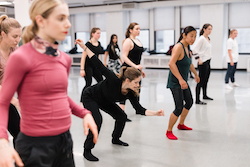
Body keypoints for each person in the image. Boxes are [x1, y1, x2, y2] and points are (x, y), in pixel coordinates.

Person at [0, 0, 98, 167]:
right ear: (40, 21)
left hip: (64, 141)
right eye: (61, 18)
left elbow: (59, 95)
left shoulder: (64, 58)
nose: (68, 23)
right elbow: (2, 103)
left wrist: (84, 113)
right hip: (34, 145)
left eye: (67, 17)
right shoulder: (21, 57)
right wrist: (3, 143)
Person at [76, 38, 164, 162]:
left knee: (122, 117)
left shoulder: (131, 93)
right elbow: (97, 63)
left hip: (105, 100)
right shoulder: (113, 79)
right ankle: (87, 150)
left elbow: (139, 110)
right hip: (90, 96)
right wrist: (84, 48)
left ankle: (115, 138)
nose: (138, 85)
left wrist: (155, 113)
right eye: (136, 82)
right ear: (127, 80)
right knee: (97, 120)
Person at [166, 26, 200, 140]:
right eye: (191, 36)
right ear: (184, 35)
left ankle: (181, 124)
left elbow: (189, 62)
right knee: (179, 107)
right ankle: (169, 131)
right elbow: (171, 64)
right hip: (176, 82)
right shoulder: (178, 47)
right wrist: (180, 79)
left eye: (195, 36)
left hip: (183, 82)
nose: (193, 39)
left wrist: (195, 74)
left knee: (189, 102)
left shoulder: (187, 47)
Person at [0, 15, 21, 147]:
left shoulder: (15, 51)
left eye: (19, 36)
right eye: (14, 37)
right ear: (3, 34)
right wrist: (14, 101)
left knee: (19, 134)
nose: (17, 40)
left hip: (5, 100)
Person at [119, 22, 145, 117]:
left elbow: (137, 58)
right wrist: (135, 66)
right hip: (128, 69)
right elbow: (124, 57)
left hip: (136, 69)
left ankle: (138, 109)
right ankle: (121, 112)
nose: (138, 31)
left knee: (137, 89)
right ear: (130, 30)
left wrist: (140, 70)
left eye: (139, 29)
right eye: (136, 29)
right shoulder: (128, 41)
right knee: (125, 90)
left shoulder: (138, 41)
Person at [80, 27, 104, 103]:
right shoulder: (88, 44)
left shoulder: (99, 44)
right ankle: (82, 101)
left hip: (96, 66)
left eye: (100, 33)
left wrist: (100, 66)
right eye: (97, 33)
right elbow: (83, 57)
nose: (99, 35)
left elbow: (98, 57)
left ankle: (99, 98)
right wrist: (82, 69)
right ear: (93, 34)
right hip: (88, 66)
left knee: (101, 81)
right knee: (88, 83)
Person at [193, 23, 213, 105]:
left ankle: (204, 95)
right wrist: (199, 59)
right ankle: (197, 100)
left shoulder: (208, 38)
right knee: (200, 81)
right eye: (208, 29)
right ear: (204, 29)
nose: (210, 31)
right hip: (203, 62)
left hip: (208, 61)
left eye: (211, 29)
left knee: (205, 80)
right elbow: (194, 50)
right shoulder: (201, 38)